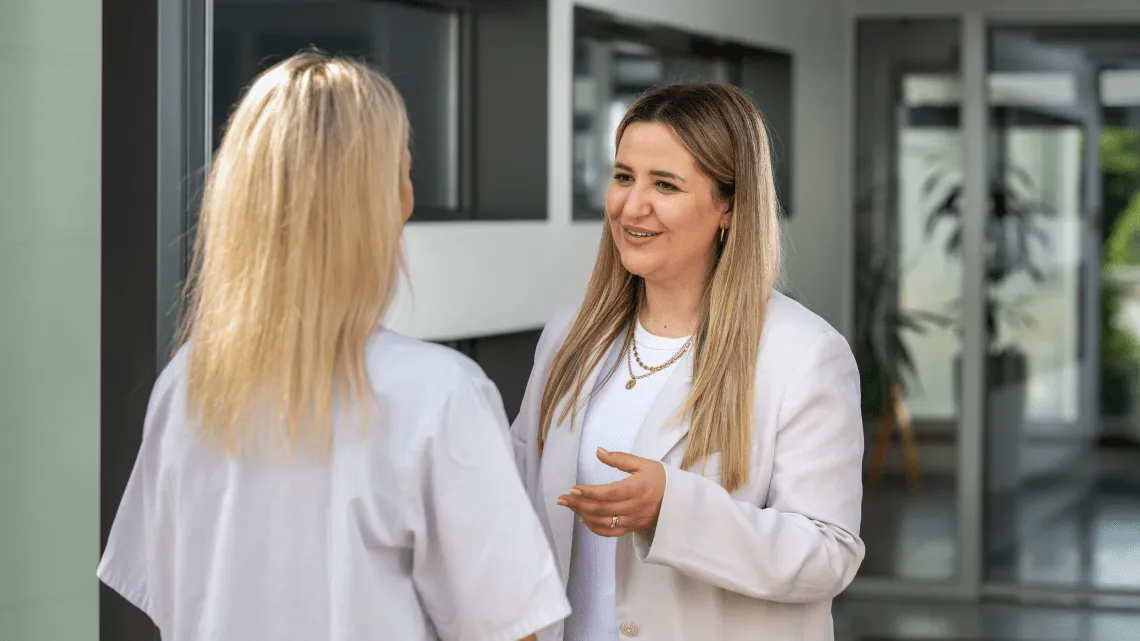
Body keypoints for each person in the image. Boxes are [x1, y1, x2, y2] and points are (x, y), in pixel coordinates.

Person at [98, 52, 569, 641]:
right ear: (383, 204)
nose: (409, 195)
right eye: (403, 172)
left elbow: (171, 597)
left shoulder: (186, 384)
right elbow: (510, 629)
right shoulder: (439, 396)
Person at [510, 83, 864, 641]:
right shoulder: (569, 333)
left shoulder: (804, 355)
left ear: (729, 207)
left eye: (665, 185)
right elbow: (514, 500)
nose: (631, 206)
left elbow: (828, 554)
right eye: (623, 177)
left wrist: (672, 511)